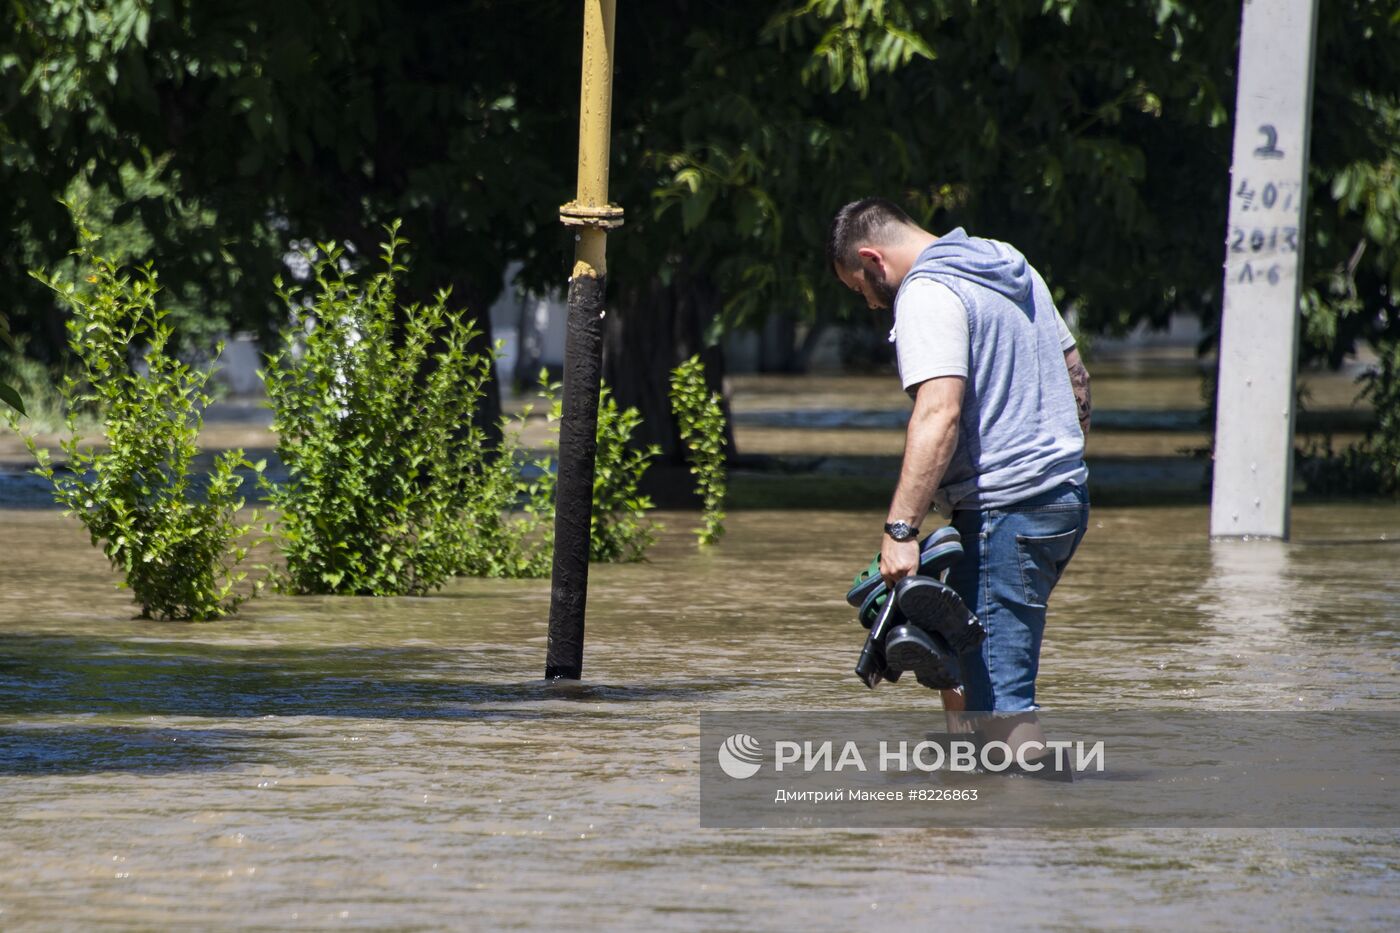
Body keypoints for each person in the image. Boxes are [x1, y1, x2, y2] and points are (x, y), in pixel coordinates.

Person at [826, 197, 1092, 748]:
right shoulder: (1007, 261)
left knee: (1000, 706)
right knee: (963, 665)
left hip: (1006, 512)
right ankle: (968, 817)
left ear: (874, 260)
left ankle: (1023, 818)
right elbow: (1076, 375)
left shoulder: (926, 292)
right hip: (1063, 499)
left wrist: (900, 531)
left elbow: (939, 412)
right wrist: (1053, 464)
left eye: (861, 289)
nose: (872, 305)